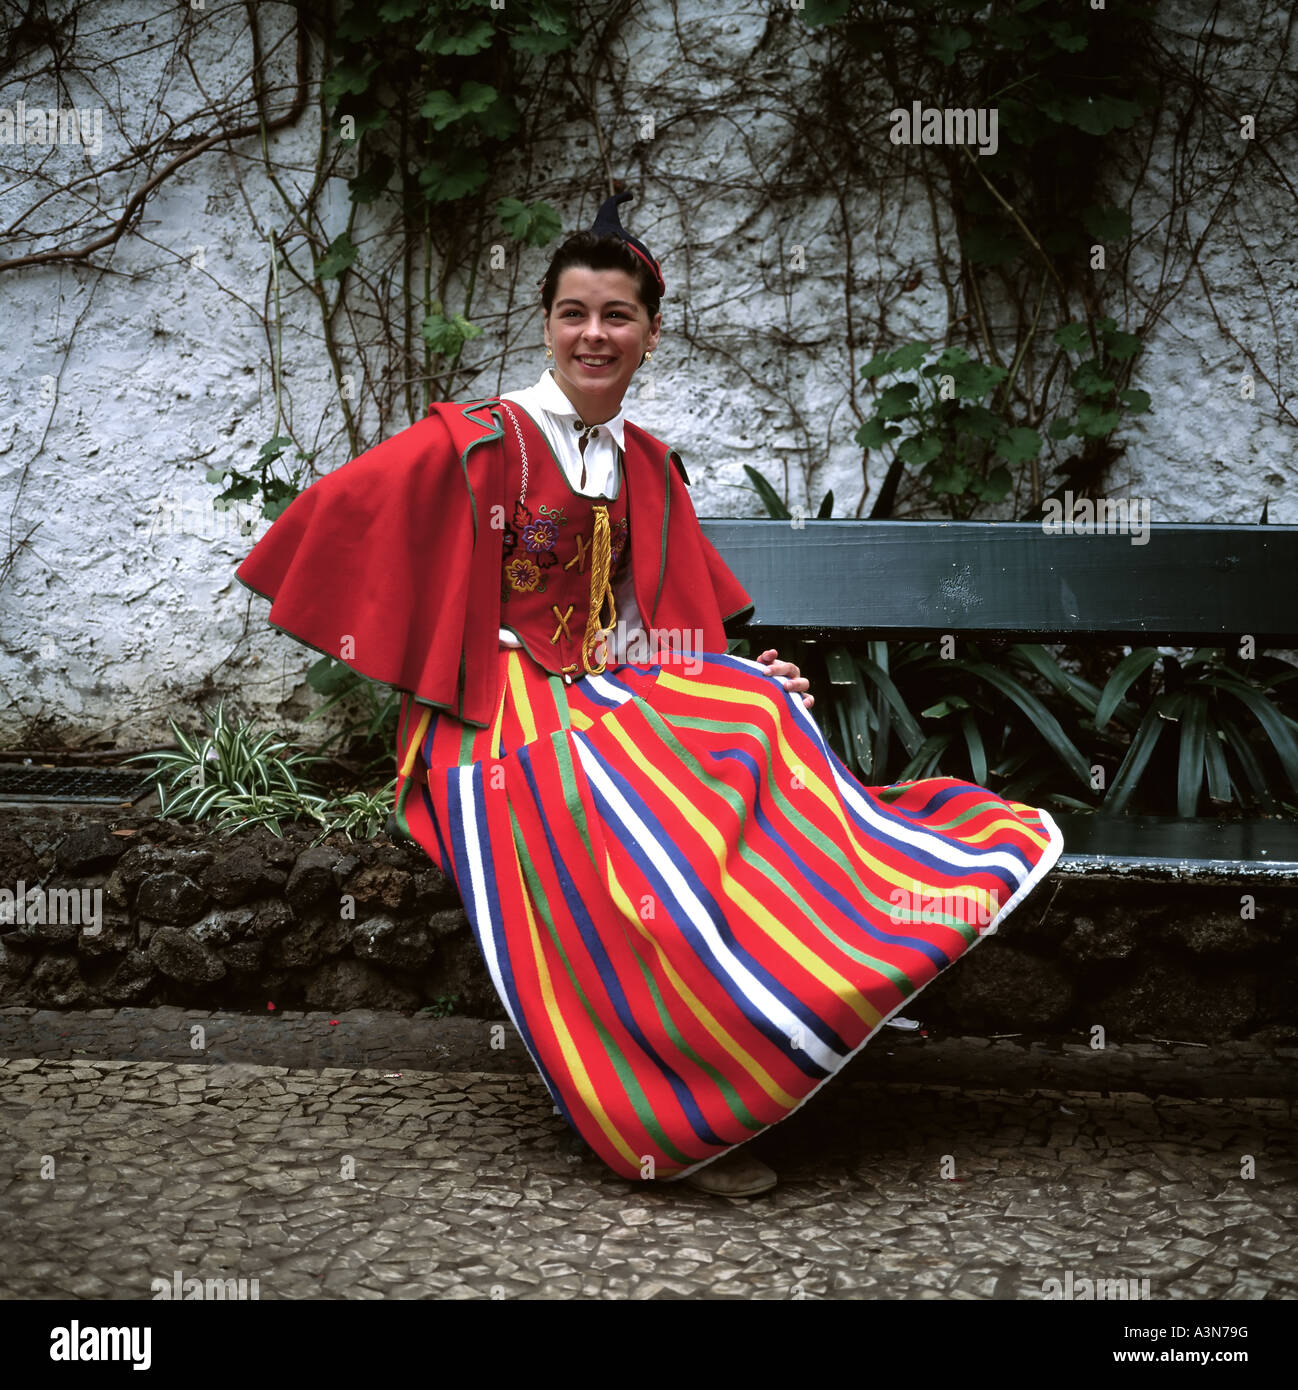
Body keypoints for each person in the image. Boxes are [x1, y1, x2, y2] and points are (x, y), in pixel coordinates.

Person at [236, 190, 1065, 1198]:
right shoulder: (479, 442)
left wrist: (733, 677)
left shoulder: (643, 464)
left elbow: (653, 636)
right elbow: (332, 519)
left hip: (596, 701)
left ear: (649, 333)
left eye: (616, 315)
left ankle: (795, 1006)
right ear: (545, 323)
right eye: (573, 312)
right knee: (602, 814)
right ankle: (668, 1116)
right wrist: (447, 648)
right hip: (488, 723)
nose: (594, 334)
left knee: (754, 714)